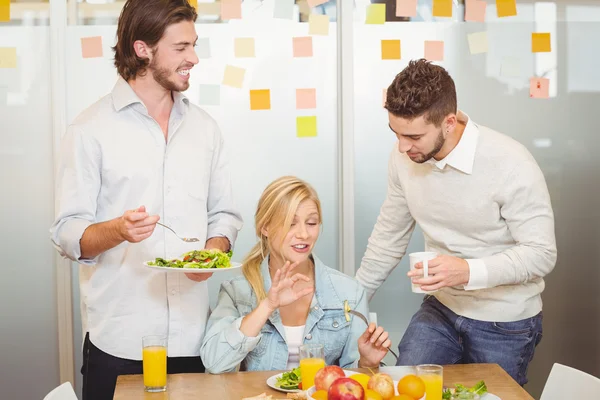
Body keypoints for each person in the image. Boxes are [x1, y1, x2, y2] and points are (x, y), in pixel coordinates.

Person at [49, 1, 243, 399]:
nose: (194, 58)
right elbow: (68, 234)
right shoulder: (89, 130)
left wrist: (213, 251)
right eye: (181, 48)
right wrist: (118, 230)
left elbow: (224, 214)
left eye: (194, 45)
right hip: (120, 343)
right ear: (143, 49)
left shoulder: (206, 130)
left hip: (194, 341)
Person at [356, 59, 557, 386]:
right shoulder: (404, 156)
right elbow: (387, 239)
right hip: (442, 309)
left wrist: (466, 271)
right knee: (405, 388)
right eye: (395, 133)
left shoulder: (510, 162)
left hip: (505, 322)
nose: (403, 147)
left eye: (413, 136)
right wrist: (350, 300)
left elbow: (541, 254)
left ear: (449, 122)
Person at [201, 176, 392, 373]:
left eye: (311, 223)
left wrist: (368, 364)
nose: (303, 234)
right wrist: (267, 305)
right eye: (290, 223)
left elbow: (353, 381)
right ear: (265, 227)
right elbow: (215, 363)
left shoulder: (349, 292)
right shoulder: (237, 292)